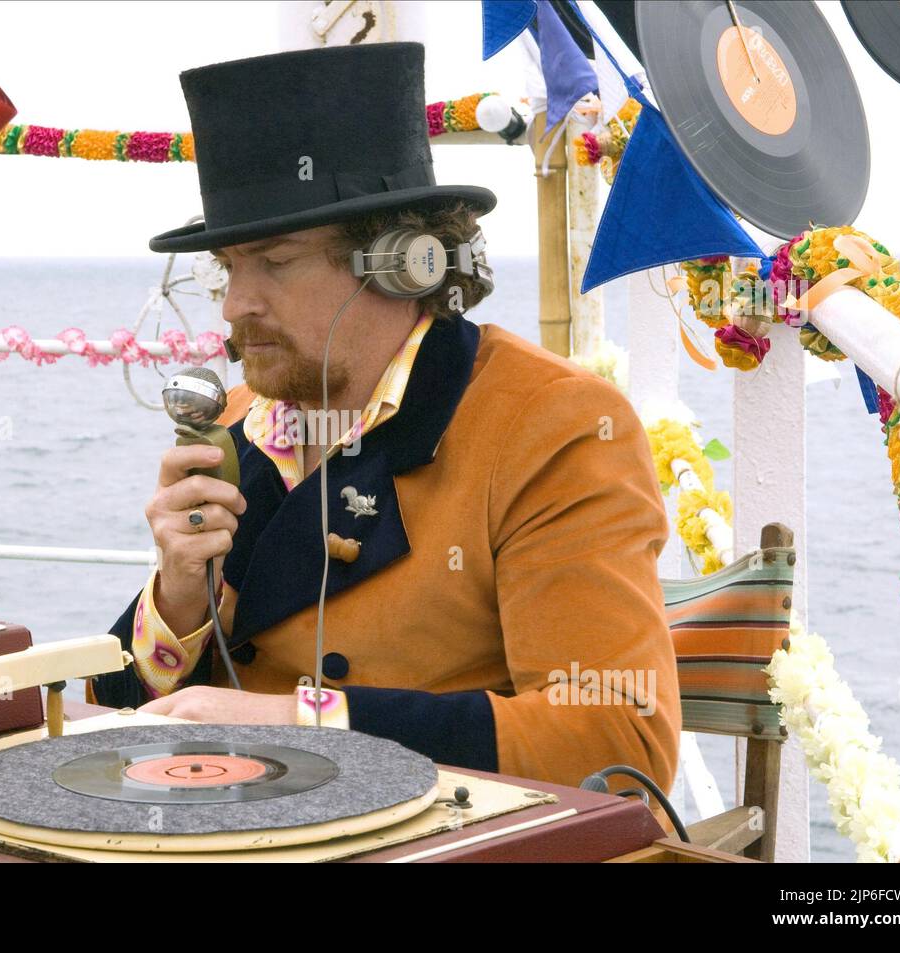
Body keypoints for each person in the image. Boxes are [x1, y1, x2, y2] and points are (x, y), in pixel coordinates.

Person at [93, 42, 681, 821]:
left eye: (272, 260)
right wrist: (175, 591)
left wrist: (304, 724)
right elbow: (124, 706)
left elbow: (619, 740)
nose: (235, 305)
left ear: (403, 262)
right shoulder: (239, 421)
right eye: (227, 268)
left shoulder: (554, 425)